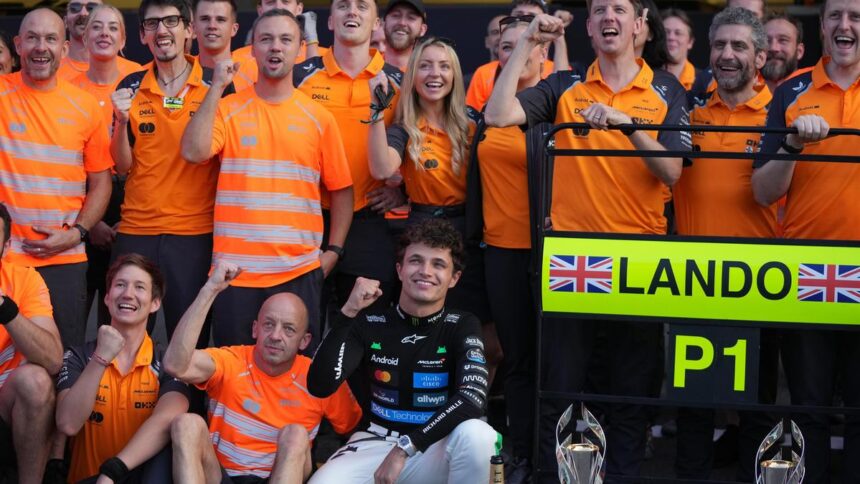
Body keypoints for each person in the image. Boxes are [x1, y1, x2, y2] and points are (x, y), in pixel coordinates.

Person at [485, 5, 689, 480]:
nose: (608, 17)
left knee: (630, 391)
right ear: (591, 28)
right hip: (571, 261)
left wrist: (628, 126)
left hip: (639, 260)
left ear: (639, 24)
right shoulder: (565, 85)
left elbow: (672, 171)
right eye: (599, 11)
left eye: (619, 9)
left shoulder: (666, 89)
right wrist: (530, 41)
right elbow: (497, 114)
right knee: (560, 389)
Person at [181, 8, 354, 348]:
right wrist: (216, 88)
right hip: (234, 274)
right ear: (252, 50)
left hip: (298, 272)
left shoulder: (318, 117)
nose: (275, 47)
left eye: (285, 40)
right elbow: (194, 151)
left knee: (294, 373)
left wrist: (333, 251)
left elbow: (342, 190)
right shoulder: (228, 108)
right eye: (266, 39)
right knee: (233, 370)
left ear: (300, 49)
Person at [752, 0, 860, 481]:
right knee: (808, 409)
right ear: (821, 26)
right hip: (809, 273)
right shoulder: (792, 91)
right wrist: (793, 144)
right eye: (835, 16)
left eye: (856, 16)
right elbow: (762, 191)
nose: (845, 25)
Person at [308, 218, 498, 484]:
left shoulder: (463, 324)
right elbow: (319, 385)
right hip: (375, 441)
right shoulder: (369, 321)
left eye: (438, 264)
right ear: (399, 270)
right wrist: (348, 312)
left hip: (436, 445)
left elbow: (472, 398)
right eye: (416, 261)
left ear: (454, 278)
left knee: (479, 435)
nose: (425, 271)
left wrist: (406, 447)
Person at [672, 8, 778, 480]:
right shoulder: (689, 113)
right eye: (719, 45)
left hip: (760, 281)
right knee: (693, 407)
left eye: (739, 46)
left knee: (757, 405)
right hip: (692, 278)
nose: (727, 55)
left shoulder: (781, 115)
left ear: (761, 56)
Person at [164, 261, 362, 483]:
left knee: (296, 434)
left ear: (304, 341)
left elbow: (354, 431)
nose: (276, 336)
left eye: (288, 329)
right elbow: (175, 365)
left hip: (283, 475)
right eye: (268, 324)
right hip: (221, 475)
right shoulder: (231, 361)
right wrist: (209, 290)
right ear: (255, 329)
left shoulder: (319, 376)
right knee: (186, 424)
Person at [110, 0, 232, 347]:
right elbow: (122, 165)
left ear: (189, 30)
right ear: (142, 35)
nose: (161, 30)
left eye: (171, 21)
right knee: (122, 339)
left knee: (188, 342)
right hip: (137, 229)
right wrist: (120, 122)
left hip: (194, 234)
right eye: (152, 24)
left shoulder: (217, 84)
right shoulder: (131, 84)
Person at [465, 17, 548, 483]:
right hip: (499, 253)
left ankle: (553, 455)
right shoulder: (489, 112)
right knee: (515, 361)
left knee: (553, 362)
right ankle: (522, 457)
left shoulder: (554, 105)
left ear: (543, 52)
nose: (515, 53)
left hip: (549, 253)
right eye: (506, 46)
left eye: (525, 45)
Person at [0, 8, 113, 347]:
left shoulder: (86, 106)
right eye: (32, 38)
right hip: (5, 259)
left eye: (50, 39)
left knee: (64, 360)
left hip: (65, 258)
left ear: (64, 49)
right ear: (18, 45)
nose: (41, 47)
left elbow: (101, 182)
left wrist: (77, 233)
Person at [294, 0, 405, 315]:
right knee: (300, 327)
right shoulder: (299, 77)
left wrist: (404, 190)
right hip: (307, 219)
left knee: (368, 331)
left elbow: (417, 142)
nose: (352, 12)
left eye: (362, 6)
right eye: (343, 6)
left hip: (369, 221)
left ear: (377, 24)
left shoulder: (399, 82)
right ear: (330, 21)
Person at [55, 254, 191, 484]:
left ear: (155, 303)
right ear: (107, 298)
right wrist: (100, 358)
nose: (128, 294)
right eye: (120, 285)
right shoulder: (79, 356)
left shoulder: (167, 363)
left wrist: (113, 471)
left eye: (140, 287)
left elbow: (168, 419)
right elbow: (68, 423)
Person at [69, 5, 143, 327]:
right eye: (96, 27)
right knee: (74, 313)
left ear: (124, 39)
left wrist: (130, 218)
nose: (104, 34)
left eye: (113, 28)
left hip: (131, 203)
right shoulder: (67, 88)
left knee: (117, 316)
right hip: (82, 202)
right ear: (84, 37)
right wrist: (90, 221)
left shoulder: (139, 81)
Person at [0, 203, 62, 484]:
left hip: (5, 404)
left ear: (6, 246)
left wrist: (5, 308)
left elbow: (52, 359)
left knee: (36, 381)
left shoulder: (23, 279)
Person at [465, 0, 570, 110]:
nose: (525, 21)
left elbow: (563, 98)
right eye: (507, 47)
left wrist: (558, 33)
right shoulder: (485, 73)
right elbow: (474, 117)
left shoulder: (555, 73)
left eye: (532, 18)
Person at [232, 0, 321, 92]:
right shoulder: (235, 60)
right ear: (260, 10)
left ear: (299, 9)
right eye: (270, 2)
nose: (278, 7)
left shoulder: (324, 57)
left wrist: (312, 44)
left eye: (286, 2)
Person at [58, 0, 139, 81]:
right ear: (65, 21)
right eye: (75, 8)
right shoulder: (53, 70)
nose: (83, 13)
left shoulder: (134, 72)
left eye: (92, 8)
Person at [662, 8, 712, 93]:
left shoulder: (706, 82)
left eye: (678, 33)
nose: (671, 37)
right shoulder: (647, 76)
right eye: (666, 32)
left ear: (690, 42)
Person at [762, 13, 807, 91]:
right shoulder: (743, 95)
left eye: (783, 40)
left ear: (799, 51)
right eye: (767, 41)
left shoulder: (814, 95)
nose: (773, 48)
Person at [381, 0, 427, 71]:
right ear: (384, 24)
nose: (402, 23)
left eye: (411, 18)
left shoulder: (429, 72)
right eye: (396, 15)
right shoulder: (366, 64)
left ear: (422, 29)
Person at [193, 0, 239, 70]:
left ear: (234, 29)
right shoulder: (180, 73)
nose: (212, 26)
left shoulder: (252, 72)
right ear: (193, 27)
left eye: (220, 20)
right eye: (205, 19)